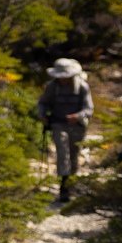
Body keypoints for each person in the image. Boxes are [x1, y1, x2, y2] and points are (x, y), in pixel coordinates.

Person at [38, 58, 93, 202]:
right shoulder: (51, 87)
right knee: (62, 153)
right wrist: (42, 115)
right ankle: (63, 186)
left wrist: (78, 116)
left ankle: (71, 184)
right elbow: (42, 103)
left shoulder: (82, 87)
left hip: (77, 126)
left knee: (74, 155)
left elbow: (89, 109)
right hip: (58, 124)